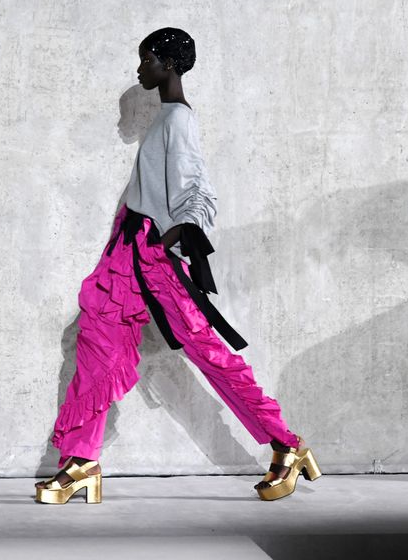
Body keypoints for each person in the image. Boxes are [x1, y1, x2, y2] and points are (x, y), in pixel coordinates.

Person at [34, 27, 321, 504]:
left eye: (146, 60)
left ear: (168, 64)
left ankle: (287, 445)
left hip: (150, 255)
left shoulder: (179, 121)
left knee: (207, 350)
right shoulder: (166, 118)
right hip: (124, 255)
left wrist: (165, 240)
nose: (140, 69)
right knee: (97, 344)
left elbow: (196, 190)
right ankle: (82, 462)